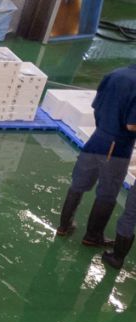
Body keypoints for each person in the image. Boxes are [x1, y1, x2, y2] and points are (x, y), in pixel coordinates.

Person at [57, 65, 136, 247]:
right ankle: (92, 237)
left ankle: (64, 226)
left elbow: (96, 106)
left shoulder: (115, 73)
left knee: (78, 184)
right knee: (107, 193)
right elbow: (132, 125)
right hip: (117, 147)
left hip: (97, 138)